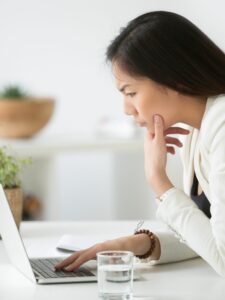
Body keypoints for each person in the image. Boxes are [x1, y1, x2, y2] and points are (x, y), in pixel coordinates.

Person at [55, 11, 225, 277]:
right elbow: (210, 235)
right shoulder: (197, 129)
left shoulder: (222, 125)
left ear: (174, 79)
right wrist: (137, 244)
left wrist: (159, 181)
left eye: (131, 92)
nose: (126, 109)